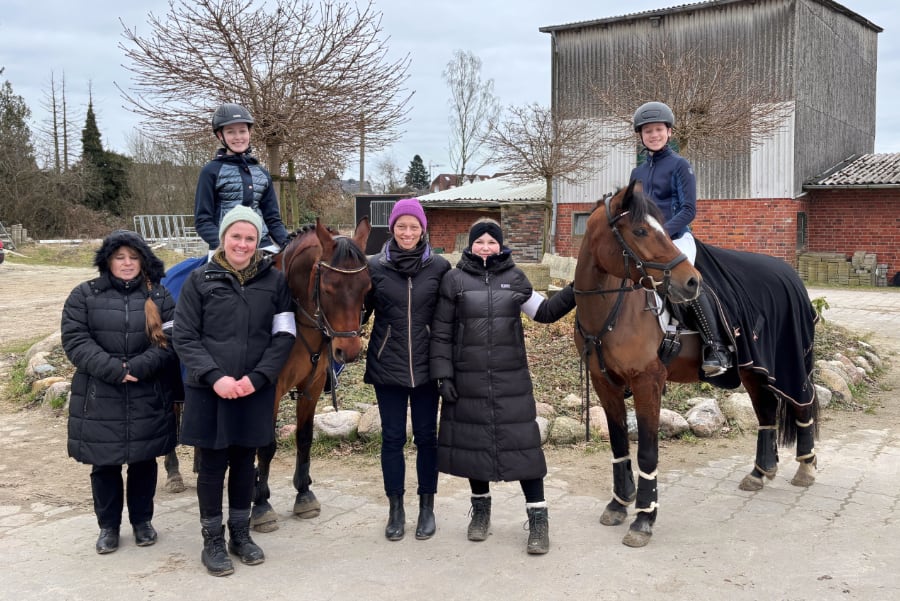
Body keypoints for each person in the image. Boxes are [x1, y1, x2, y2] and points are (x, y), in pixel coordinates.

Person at [429, 218, 576, 555]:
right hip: (468, 379)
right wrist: (443, 374)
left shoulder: (515, 278)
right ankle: (480, 512)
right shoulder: (454, 280)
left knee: (524, 449)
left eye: (491, 242)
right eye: (479, 242)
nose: (485, 248)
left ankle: (538, 519)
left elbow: (545, 312)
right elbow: (441, 332)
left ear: (500, 245)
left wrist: (575, 290)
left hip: (511, 380)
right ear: (470, 246)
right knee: (473, 447)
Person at [173, 205, 296, 577]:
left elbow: (284, 335)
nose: (242, 244)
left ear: (258, 242)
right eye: (236, 236)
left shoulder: (275, 283)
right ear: (224, 238)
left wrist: (258, 378)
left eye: (250, 238)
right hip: (210, 389)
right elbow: (184, 335)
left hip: (253, 390)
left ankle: (240, 535)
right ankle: (212, 539)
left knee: (245, 463)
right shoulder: (200, 280)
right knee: (211, 467)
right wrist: (215, 377)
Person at [61, 230, 178, 554]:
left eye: (133, 257)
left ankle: (142, 522)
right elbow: (76, 341)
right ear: (107, 260)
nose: (127, 263)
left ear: (143, 261)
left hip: (147, 393)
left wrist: (138, 368)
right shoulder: (83, 295)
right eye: (119, 257)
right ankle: (108, 527)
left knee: (144, 461)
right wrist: (115, 370)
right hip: (101, 394)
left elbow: (172, 341)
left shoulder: (160, 297)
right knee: (105, 465)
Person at [363, 198, 451, 541]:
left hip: (429, 368)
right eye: (402, 226)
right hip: (388, 366)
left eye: (414, 227)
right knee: (393, 439)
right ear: (392, 228)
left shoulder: (440, 268)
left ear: (423, 229)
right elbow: (359, 313)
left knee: (428, 439)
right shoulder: (374, 267)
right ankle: (395, 509)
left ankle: (426, 508)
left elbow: (450, 318)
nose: (408, 232)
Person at [630, 100, 732, 376]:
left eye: (658, 130)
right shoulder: (637, 172)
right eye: (648, 131)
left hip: (677, 236)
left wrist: (663, 234)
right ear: (641, 135)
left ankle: (716, 348)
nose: (653, 135)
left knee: (688, 282)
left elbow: (689, 210)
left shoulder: (680, 165)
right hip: (648, 240)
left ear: (669, 132)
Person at [194, 102, 290, 256]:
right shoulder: (210, 171)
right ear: (221, 135)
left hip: (262, 245)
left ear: (249, 133)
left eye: (242, 131)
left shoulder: (262, 173)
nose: (238, 137)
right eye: (231, 132)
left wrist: (289, 244)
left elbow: (273, 219)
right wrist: (225, 244)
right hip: (225, 248)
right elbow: (203, 221)